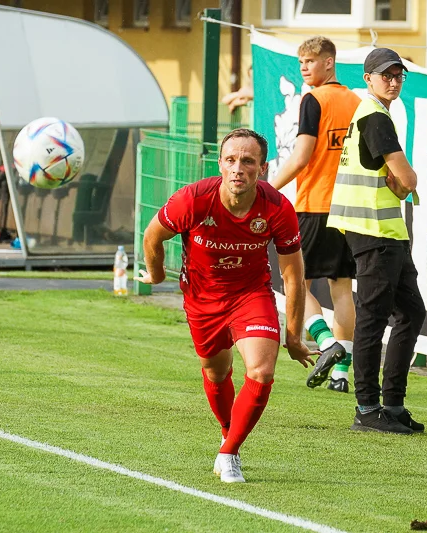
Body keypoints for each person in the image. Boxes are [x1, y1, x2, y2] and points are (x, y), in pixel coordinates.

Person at [136, 128, 316, 483]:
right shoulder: (193, 200)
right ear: (219, 163)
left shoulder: (278, 209)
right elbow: (153, 235)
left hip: (251, 295)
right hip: (202, 300)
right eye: (231, 160)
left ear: (262, 168)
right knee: (218, 373)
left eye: (248, 161)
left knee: (262, 371)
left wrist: (293, 335)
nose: (238, 168)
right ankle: (227, 432)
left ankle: (229, 452)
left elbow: (294, 276)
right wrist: (156, 276)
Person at [327, 48, 426, 434]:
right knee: (372, 318)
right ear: (368, 78)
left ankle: (393, 405)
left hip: (384, 231)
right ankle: (368, 409)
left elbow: (400, 182)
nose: (394, 80)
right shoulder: (373, 115)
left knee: (411, 312)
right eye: (386, 74)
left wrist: (401, 183)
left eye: (399, 75)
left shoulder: (373, 113)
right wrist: (404, 181)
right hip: (373, 230)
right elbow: (409, 179)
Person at [269, 36, 361, 393]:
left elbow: (301, 155)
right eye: (301, 62)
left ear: (329, 62)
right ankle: (341, 376)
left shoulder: (313, 98)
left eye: (311, 60)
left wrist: (268, 187)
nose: (304, 67)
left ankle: (326, 344)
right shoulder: (356, 100)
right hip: (351, 207)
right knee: (342, 288)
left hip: (315, 204)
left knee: (295, 283)